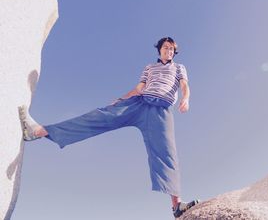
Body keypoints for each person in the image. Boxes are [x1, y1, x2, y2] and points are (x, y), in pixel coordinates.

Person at [18, 37, 199, 218]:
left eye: (171, 49)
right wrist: (121, 99)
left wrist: (185, 98)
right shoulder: (149, 68)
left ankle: (176, 206)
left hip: (161, 111)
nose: (168, 50)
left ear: (174, 52)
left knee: (167, 153)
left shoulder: (178, 68)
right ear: (159, 50)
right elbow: (139, 88)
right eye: (165, 47)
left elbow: (184, 85)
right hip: (139, 104)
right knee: (100, 116)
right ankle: (37, 132)